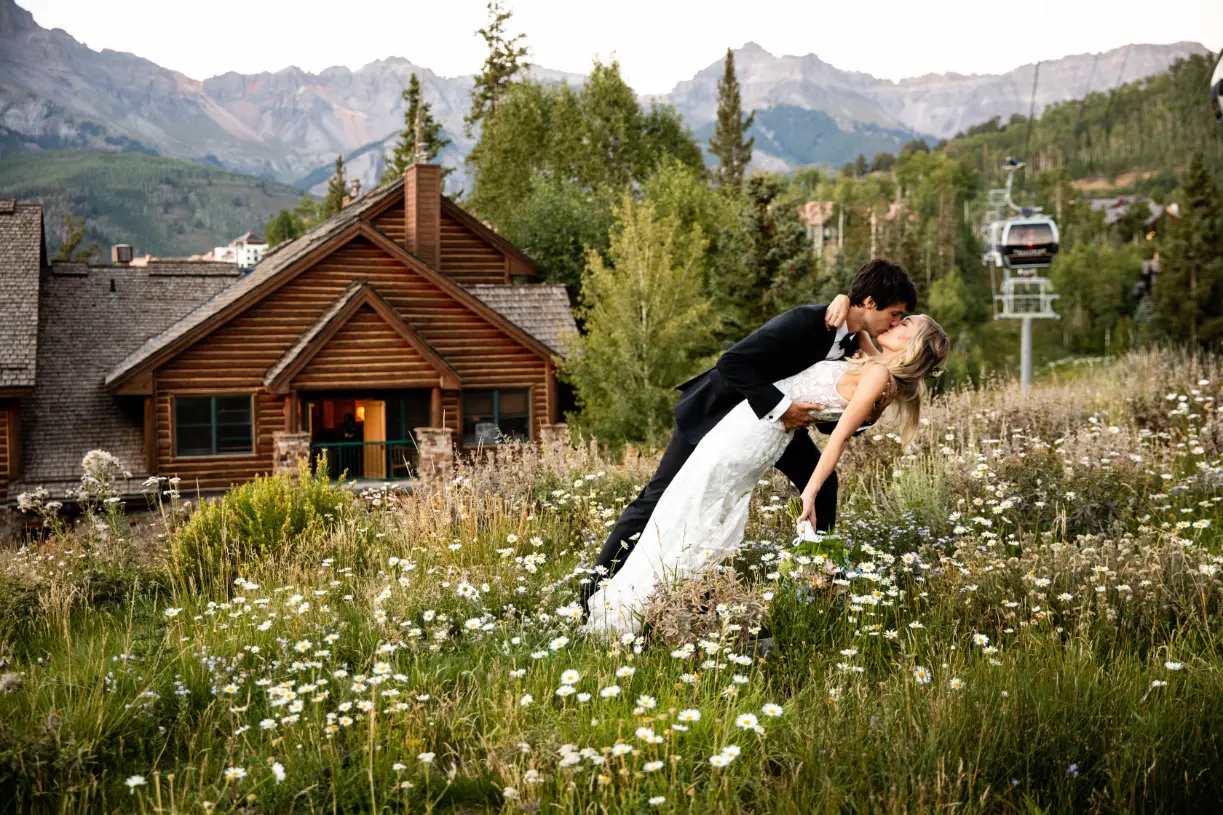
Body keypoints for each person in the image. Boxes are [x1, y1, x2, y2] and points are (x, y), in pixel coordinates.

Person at [579, 259, 919, 624]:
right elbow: (731, 363)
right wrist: (783, 408)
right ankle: (593, 592)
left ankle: (819, 581)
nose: (896, 323)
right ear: (869, 302)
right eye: (895, 313)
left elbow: (827, 416)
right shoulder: (807, 321)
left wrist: (865, 413)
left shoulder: (854, 340)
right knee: (657, 497)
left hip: (774, 427)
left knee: (823, 483)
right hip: (720, 414)